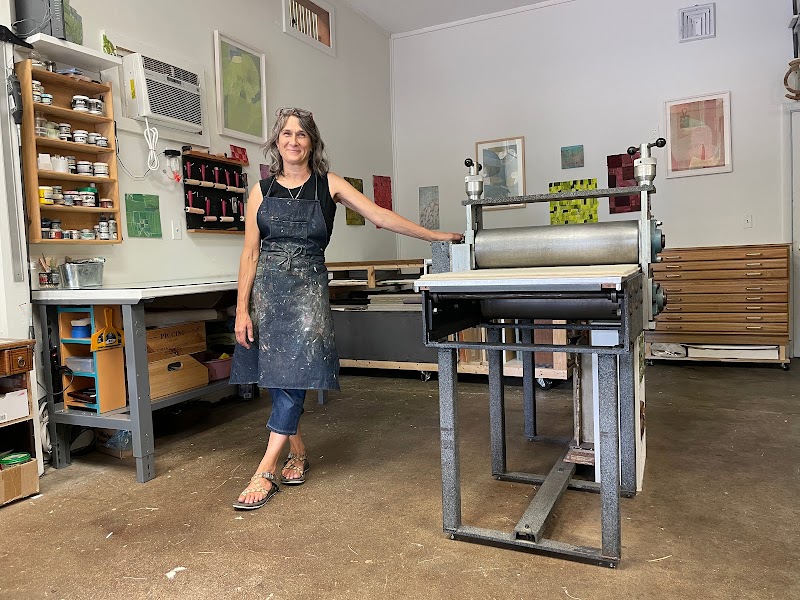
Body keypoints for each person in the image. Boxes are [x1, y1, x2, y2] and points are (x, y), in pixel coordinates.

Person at [230, 107, 463, 510]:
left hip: (307, 295)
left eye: (301, 134)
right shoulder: (260, 191)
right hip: (267, 295)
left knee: (295, 374)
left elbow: (380, 217)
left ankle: (265, 468)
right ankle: (297, 453)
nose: (293, 141)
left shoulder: (329, 184)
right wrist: (241, 310)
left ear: (312, 142)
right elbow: (250, 254)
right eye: (286, 134)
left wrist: (433, 236)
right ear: (276, 142)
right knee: (277, 377)